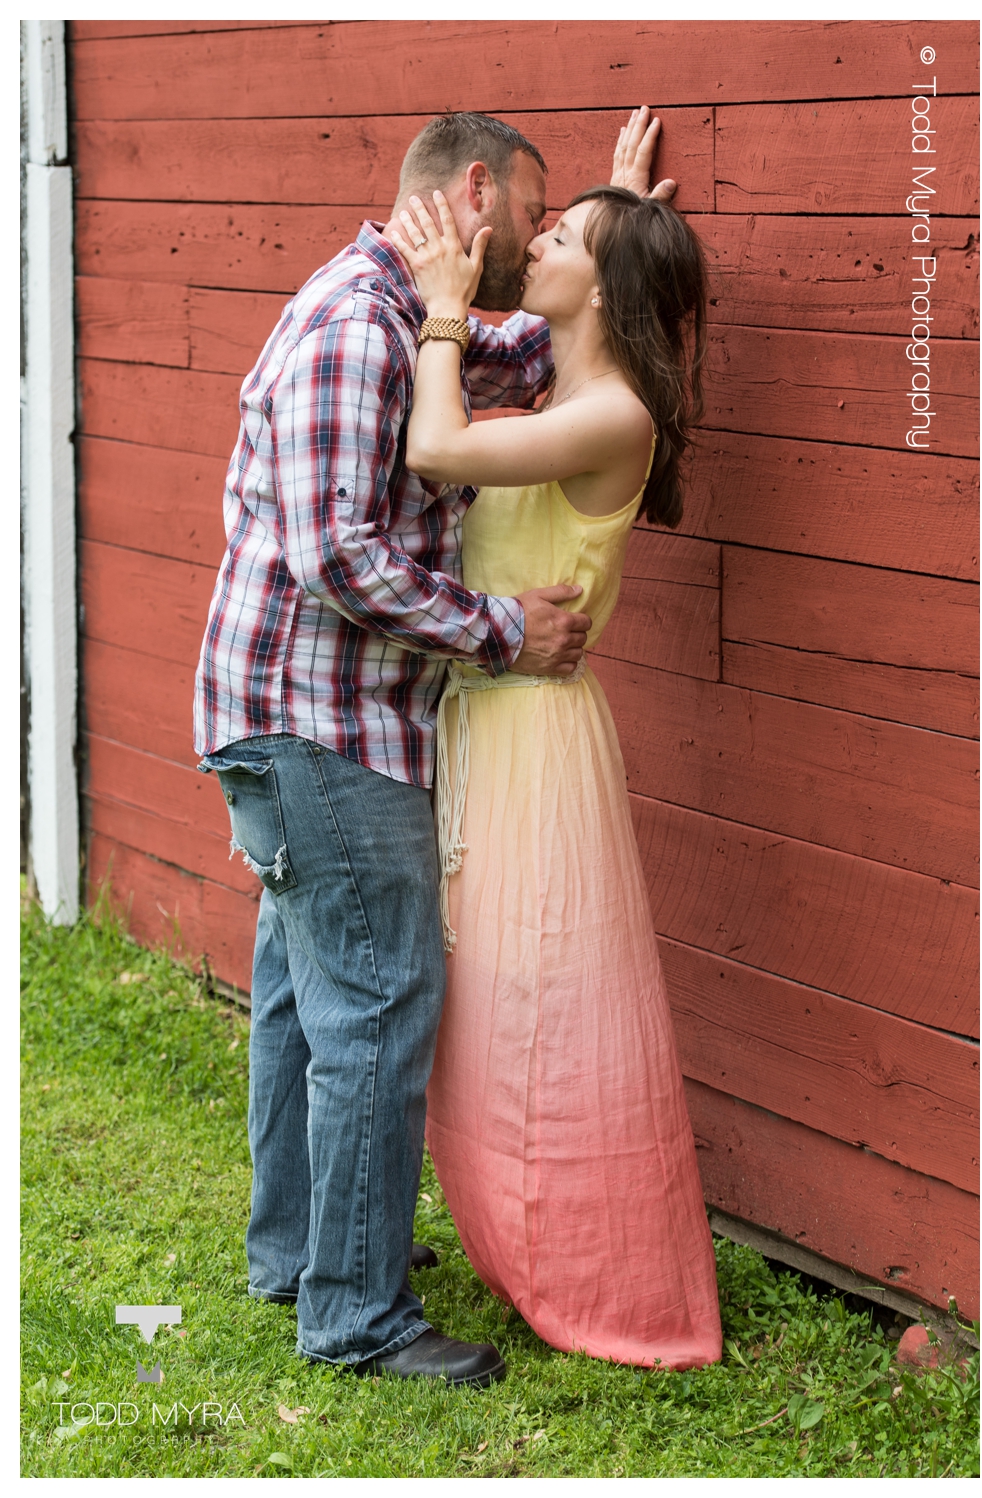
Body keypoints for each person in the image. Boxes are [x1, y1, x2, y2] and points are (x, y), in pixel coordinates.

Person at [194, 109, 673, 1387]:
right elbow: (338, 555)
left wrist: (621, 225)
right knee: (376, 1005)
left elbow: (545, 340)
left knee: (304, 1002)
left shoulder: (416, 318)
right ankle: (355, 1313)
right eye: (534, 211)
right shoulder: (361, 330)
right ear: (474, 194)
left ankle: (297, 1257)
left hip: (309, 716)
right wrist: (503, 629)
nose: (533, 238)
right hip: (319, 720)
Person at [389, 171, 723, 1368]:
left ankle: (589, 1263)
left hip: (535, 729)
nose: (537, 247)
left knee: (540, 1009)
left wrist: (435, 307)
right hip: (490, 710)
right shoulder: (564, 366)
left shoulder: (615, 411)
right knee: (486, 1007)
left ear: (605, 284)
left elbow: (436, 447)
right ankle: (512, 1229)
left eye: (564, 237)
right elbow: (556, 299)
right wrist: (621, 193)